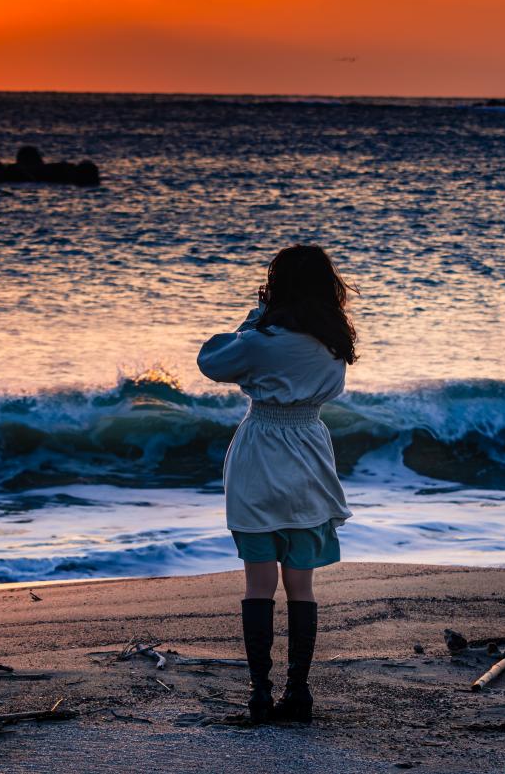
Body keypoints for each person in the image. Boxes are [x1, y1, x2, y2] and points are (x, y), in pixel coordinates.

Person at [197, 244, 356, 724]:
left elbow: (211, 362)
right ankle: (299, 694)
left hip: (261, 449)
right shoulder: (334, 341)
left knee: (259, 584)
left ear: (277, 286)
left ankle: (260, 695)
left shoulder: (259, 339)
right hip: (309, 449)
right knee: (301, 586)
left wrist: (254, 318)